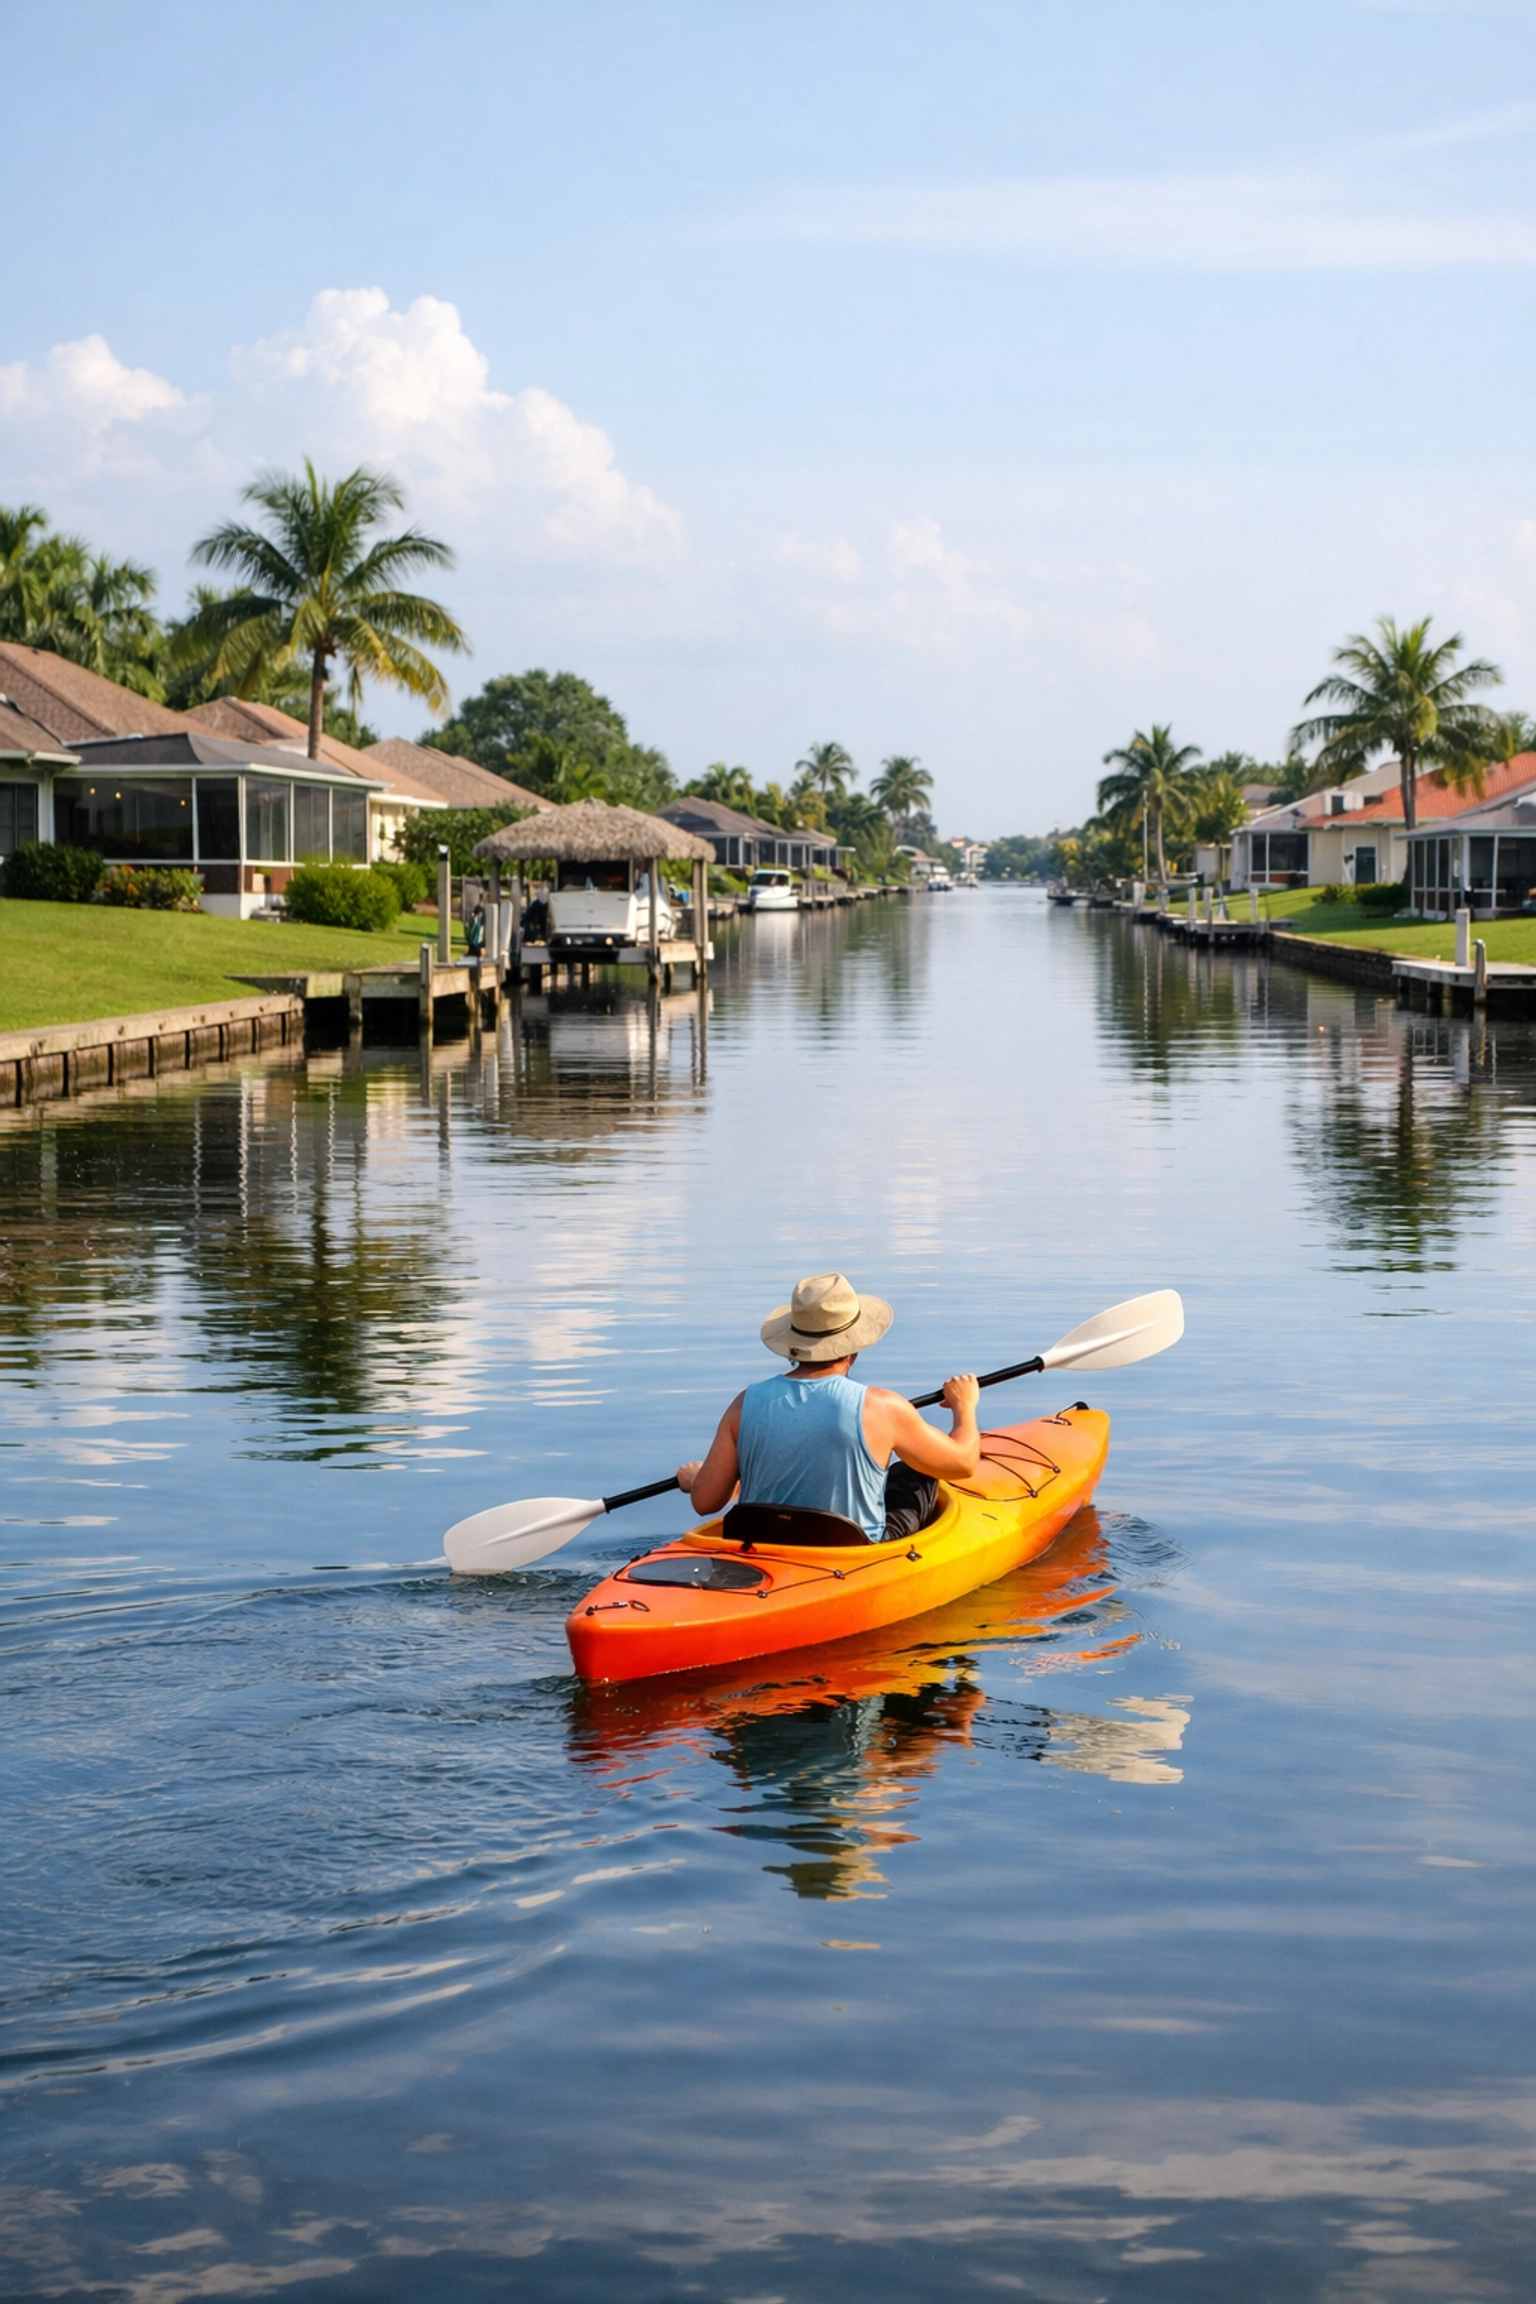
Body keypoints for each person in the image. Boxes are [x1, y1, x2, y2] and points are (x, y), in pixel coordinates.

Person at [676, 1271, 981, 1543]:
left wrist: (697, 1480)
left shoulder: (745, 1403)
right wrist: (963, 1406)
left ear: (794, 1342)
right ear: (855, 1343)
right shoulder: (883, 1408)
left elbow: (705, 1502)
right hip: (850, 1553)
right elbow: (964, 1463)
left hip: (761, 1543)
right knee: (915, 1474)